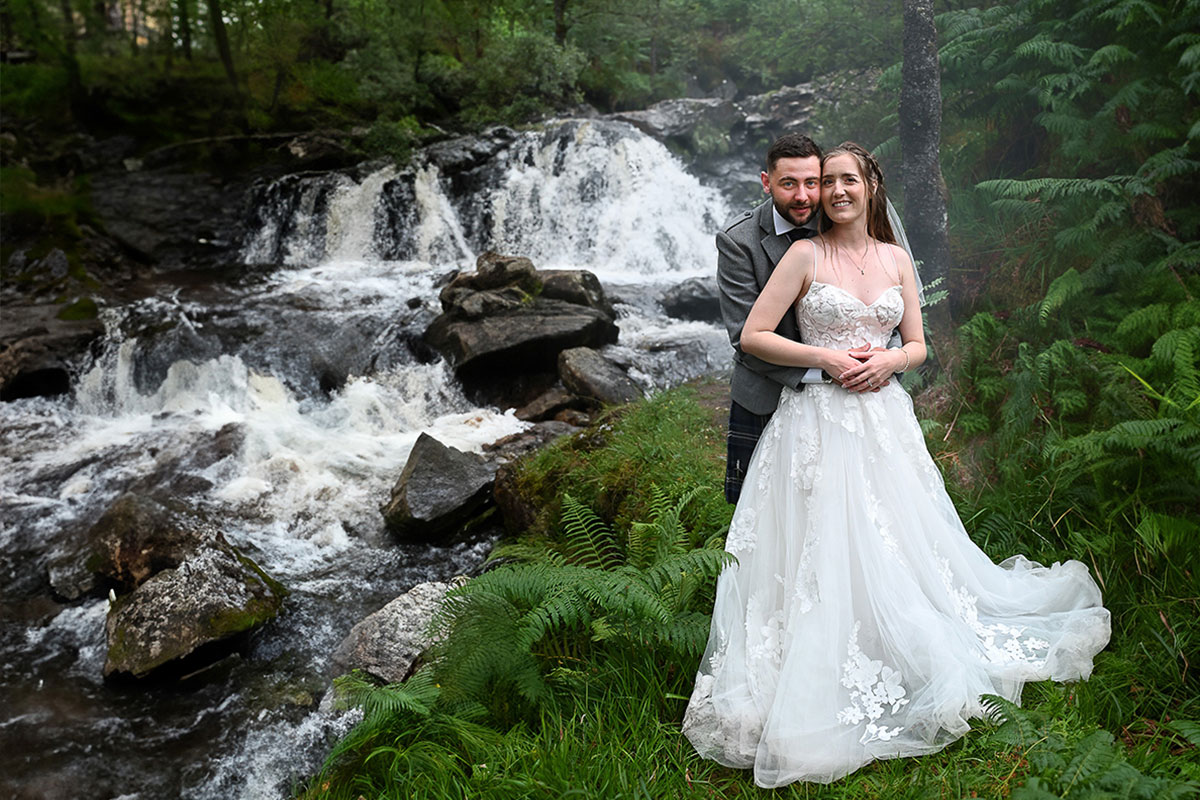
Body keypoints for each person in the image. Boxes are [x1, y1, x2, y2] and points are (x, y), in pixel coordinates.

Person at [683, 142, 1111, 787]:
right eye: (827, 183)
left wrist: (889, 362)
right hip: (815, 417)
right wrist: (825, 360)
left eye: (848, 179)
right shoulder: (804, 253)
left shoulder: (896, 258)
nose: (836, 192)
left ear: (871, 185)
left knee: (895, 537)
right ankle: (813, 662)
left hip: (882, 418)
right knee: (816, 541)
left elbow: (917, 345)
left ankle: (897, 639)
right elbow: (752, 335)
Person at [717, 134, 896, 505]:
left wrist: (885, 359)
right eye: (788, 183)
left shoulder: (840, 221)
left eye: (812, 182)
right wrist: (828, 370)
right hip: (767, 395)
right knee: (767, 516)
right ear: (766, 182)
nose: (803, 196)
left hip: (858, 396)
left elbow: (880, 303)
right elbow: (745, 340)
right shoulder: (739, 242)